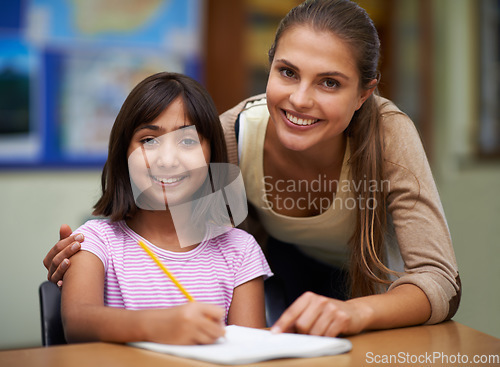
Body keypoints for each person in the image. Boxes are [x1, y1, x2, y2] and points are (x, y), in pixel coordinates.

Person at [46, 0, 461, 338]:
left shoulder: (388, 137)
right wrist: (82, 253)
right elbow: (162, 221)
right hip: (281, 269)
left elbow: (440, 280)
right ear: (270, 67)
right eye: (287, 72)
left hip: (370, 288)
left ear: (364, 93)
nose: (300, 99)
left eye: (329, 82)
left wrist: (356, 312)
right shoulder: (230, 137)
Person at [59, 72, 272, 345]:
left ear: (211, 155)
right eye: (149, 140)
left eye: (187, 141)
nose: (168, 160)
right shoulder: (96, 241)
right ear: (124, 152)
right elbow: (77, 324)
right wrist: (162, 324)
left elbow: (249, 350)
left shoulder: (240, 250)